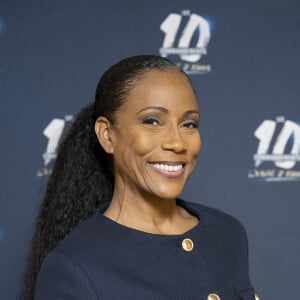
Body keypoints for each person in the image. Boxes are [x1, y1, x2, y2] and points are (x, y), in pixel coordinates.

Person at [23, 55, 259, 300]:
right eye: (152, 121)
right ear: (107, 135)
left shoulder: (227, 233)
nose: (177, 142)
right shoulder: (72, 268)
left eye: (189, 124)